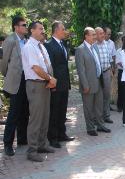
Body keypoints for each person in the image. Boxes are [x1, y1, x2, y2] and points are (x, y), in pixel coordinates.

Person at [22, 21, 57, 162]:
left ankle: (42, 144)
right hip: (36, 85)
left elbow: (47, 65)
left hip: (45, 84)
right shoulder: (29, 47)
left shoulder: (41, 46)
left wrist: (50, 80)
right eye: (40, 29)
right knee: (36, 119)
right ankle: (32, 151)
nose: (43, 31)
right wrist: (50, 78)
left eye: (43, 28)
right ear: (32, 30)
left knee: (44, 117)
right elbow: (36, 68)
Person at [1, 16, 29, 156]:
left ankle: (22, 139)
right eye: (24, 25)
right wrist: (8, 75)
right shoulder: (10, 40)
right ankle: (7, 143)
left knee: (24, 110)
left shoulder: (26, 40)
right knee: (14, 113)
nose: (26, 27)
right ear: (16, 27)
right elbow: (3, 63)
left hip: (26, 79)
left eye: (26, 24)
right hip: (15, 81)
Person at [75, 27, 111, 136]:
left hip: (98, 82)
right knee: (88, 108)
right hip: (88, 84)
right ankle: (90, 128)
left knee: (98, 106)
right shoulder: (80, 49)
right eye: (93, 35)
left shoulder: (94, 47)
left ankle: (100, 125)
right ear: (86, 36)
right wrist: (85, 85)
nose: (95, 37)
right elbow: (81, 70)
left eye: (95, 35)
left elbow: (97, 64)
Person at [44, 21, 74, 149]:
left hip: (64, 83)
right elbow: (49, 66)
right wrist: (52, 82)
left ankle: (62, 134)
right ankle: (53, 137)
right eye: (63, 29)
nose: (65, 31)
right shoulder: (49, 45)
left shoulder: (63, 43)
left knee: (62, 110)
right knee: (54, 111)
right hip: (55, 83)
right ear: (56, 30)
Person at [95, 27, 113, 123]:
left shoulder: (107, 44)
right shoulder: (93, 46)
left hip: (106, 72)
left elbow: (109, 58)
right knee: (98, 97)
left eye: (103, 33)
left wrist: (110, 70)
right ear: (96, 35)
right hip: (97, 75)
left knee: (107, 95)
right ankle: (99, 117)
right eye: (101, 33)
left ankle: (107, 116)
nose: (103, 35)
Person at [115, 44, 124, 112]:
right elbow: (118, 62)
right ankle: (120, 106)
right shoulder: (119, 51)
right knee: (121, 89)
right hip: (122, 71)